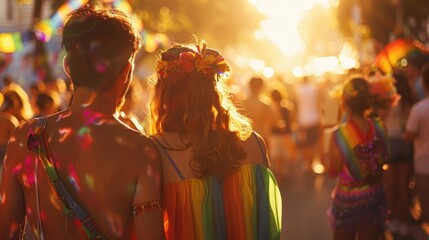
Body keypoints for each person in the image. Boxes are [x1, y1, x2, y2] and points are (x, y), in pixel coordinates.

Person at [0, 3, 164, 239]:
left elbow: (6, 232)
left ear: (67, 67)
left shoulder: (23, 138)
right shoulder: (141, 151)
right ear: (127, 71)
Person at [148, 41, 282, 239]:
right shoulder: (255, 142)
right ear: (212, 91)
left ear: (164, 95)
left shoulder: (157, 149)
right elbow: (266, 225)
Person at [326, 76, 389, 240]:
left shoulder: (338, 134)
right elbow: (384, 159)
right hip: (375, 196)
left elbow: (333, 171)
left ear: (344, 102)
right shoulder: (380, 127)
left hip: (348, 200)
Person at [382, 72, 415, 235]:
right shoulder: (410, 100)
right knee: (404, 185)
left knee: (391, 185)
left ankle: (392, 219)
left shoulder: (389, 101)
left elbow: (381, 120)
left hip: (391, 143)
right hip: (405, 144)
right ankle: (404, 221)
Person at [404, 62, 429, 231]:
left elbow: (409, 135)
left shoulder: (419, 109)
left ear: (424, 83)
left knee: (426, 204)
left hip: (423, 163)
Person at [293, 76, 322, 172]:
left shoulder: (298, 90)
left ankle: (307, 164)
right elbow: (319, 104)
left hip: (302, 120)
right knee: (313, 143)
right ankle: (311, 163)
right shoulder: (314, 89)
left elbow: (295, 106)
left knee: (305, 143)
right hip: (314, 119)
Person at [242, 76, 275, 147]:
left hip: (245, 137)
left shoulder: (242, 103)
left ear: (249, 86)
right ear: (262, 87)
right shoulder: (265, 104)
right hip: (261, 138)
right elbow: (271, 123)